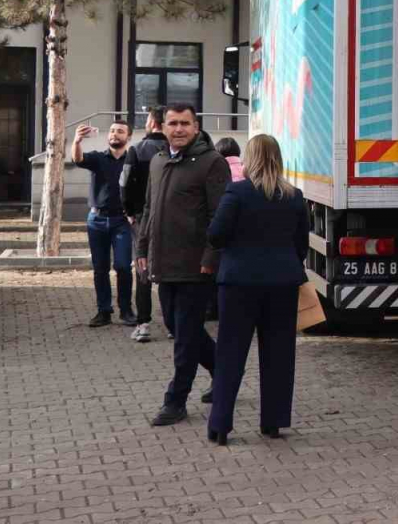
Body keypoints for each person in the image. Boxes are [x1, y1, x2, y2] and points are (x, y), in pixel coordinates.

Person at [205, 134, 309, 446]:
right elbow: (300, 246)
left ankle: (221, 425)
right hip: (282, 283)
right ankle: (273, 422)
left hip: (238, 283)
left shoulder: (236, 192)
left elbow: (216, 235)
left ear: (249, 159)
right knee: (279, 354)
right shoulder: (294, 196)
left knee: (230, 354)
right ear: (278, 159)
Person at [136, 104, 232, 427]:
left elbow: (220, 217)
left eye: (185, 124)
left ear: (196, 126)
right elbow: (149, 208)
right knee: (179, 329)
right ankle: (224, 371)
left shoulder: (212, 163)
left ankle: (175, 401)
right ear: (162, 127)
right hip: (163, 264)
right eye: (173, 123)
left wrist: (210, 258)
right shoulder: (158, 161)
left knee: (185, 338)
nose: (178, 129)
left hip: (195, 268)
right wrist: (142, 246)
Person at [72, 119, 136, 328]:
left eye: (120, 131)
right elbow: (77, 158)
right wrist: (77, 140)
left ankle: (126, 311)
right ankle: (103, 311)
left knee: (123, 267)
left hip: (122, 221)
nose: (114, 134)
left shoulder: (132, 161)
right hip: (96, 220)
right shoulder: (98, 158)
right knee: (100, 268)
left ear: (128, 137)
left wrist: (135, 213)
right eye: (112, 131)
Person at [121, 107, 169, 343]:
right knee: (172, 272)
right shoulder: (175, 150)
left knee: (142, 269)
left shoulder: (136, 150)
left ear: (151, 123)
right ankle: (173, 324)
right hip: (173, 218)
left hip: (142, 218)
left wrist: (129, 212)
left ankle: (143, 323)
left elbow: (125, 184)